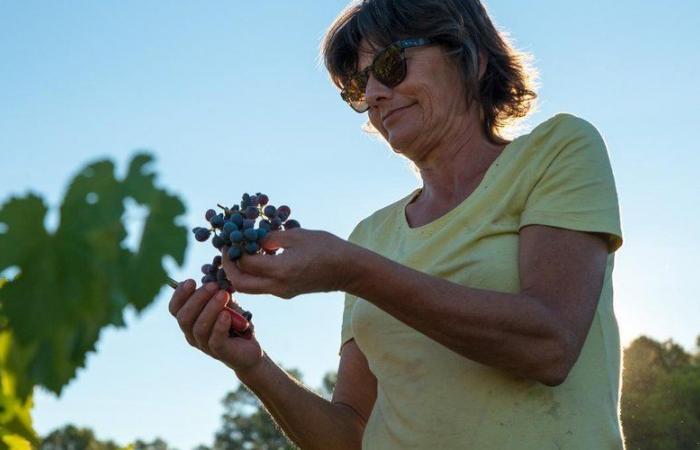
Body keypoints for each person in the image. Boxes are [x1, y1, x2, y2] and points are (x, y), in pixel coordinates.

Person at [168, 0, 625, 448]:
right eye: (358, 86)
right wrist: (252, 365)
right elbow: (350, 434)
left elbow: (550, 344)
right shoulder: (370, 237)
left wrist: (354, 271)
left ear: (473, 58)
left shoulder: (558, 151)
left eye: (391, 64)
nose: (372, 96)